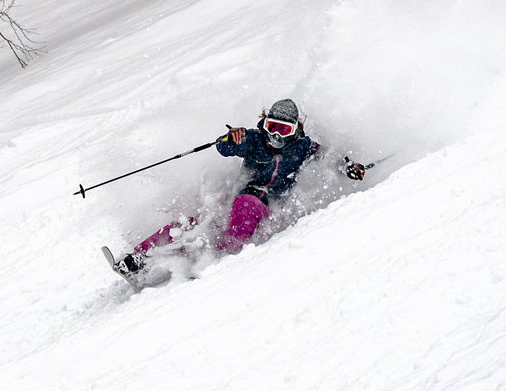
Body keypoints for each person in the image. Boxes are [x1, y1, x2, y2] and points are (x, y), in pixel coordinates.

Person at [110, 98, 367, 279]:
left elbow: (328, 156)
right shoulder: (254, 139)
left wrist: (348, 167)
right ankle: (139, 258)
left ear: (295, 130)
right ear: (264, 123)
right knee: (195, 223)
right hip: (238, 193)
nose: (276, 136)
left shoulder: (302, 147)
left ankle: (223, 259)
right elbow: (225, 147)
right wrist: (230, 138)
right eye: (272, 127)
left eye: (284, 130)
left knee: (248, 205)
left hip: (269, 203)